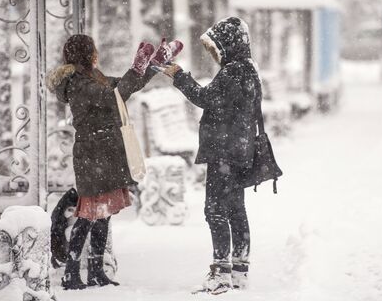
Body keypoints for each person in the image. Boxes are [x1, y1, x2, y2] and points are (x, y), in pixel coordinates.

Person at [46, 34, 181, 290]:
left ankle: (96, 270)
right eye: (93, 50)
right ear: (87, 54)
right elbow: (116, 95)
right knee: (88, 215)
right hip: (92, 155)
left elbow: (125, 88)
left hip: (104, 155)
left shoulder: (92, 78)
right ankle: (71, 274)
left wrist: (151, 65)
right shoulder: (78, 84)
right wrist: (137, 66)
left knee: (103, 215)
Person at [162, 17, 261, 295]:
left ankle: (221, 273)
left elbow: (205, 99)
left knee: (215, 209)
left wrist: (178, 76)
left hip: (224, 152)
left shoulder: (232, 72)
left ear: (229, 43)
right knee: (236, 209)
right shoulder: (249, 69)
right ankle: (240, 270)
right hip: (240, 149)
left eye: (218, 47)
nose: (217, 53)